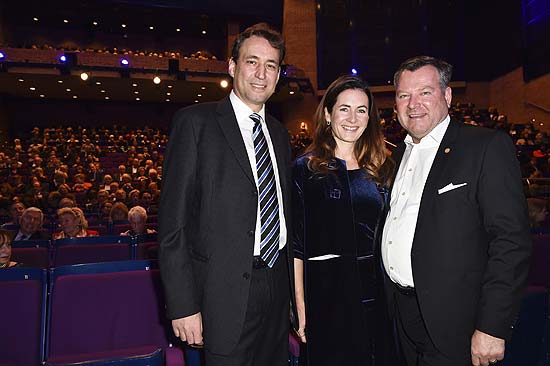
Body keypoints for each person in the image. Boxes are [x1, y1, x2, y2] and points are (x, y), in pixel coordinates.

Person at [380, 56, 531, 366]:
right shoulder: (395, 157)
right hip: (400, 316)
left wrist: (492, 326)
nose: (413, 104)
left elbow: (511, 241)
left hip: (457, 325)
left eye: (425, 92)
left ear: (447, 95)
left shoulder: (485, 146)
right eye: (403, 95)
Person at [159, 23, 294, 366]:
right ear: (233, 66)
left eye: (271, 65)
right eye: (252, 61)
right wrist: (184, 305)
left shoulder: (279, 134)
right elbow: (173, 225)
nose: (261, 74)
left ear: (279, 74)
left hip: (276, 288)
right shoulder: (195, 123)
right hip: (222, 294)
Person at [292, 75, 395, 365]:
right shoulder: (305, 169)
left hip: (377, 292)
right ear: (328, 114)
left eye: (361, 110)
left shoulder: (384, 167)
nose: (353, 118)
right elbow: (297, 246)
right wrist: (300, 305)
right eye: (344, 109)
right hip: (327, 293)